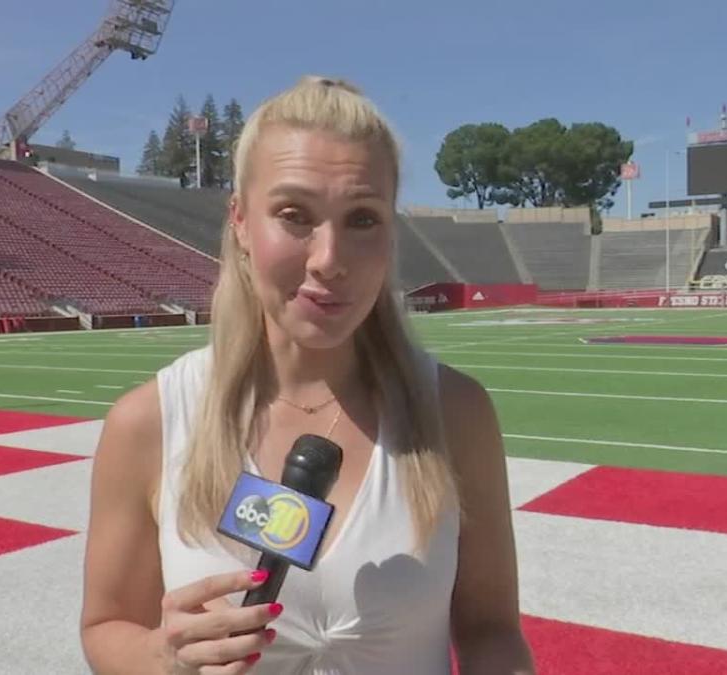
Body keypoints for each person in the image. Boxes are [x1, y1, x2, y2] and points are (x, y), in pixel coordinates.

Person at [81, 76, 534, 674]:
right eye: (295, 215)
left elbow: (491, 630)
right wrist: (159, 657)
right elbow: (105, 626)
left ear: (391, 232)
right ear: (241, 222)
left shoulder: (457, 413)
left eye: (363, 219)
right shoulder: (149, 422)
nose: (329, 259)